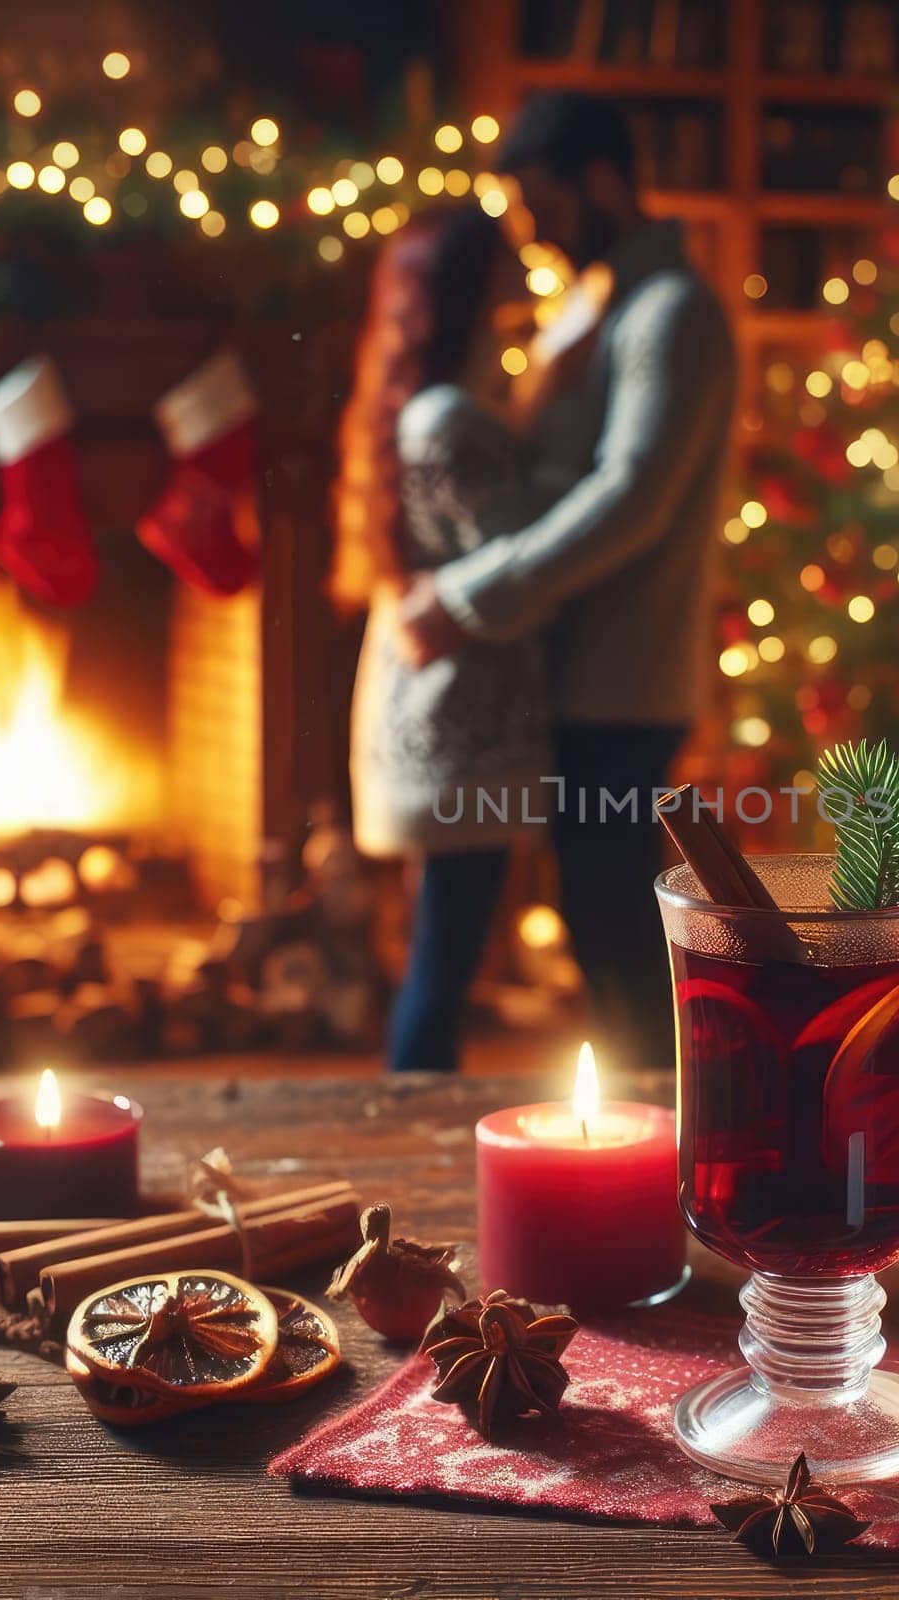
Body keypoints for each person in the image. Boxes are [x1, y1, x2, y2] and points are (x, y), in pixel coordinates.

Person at [396, 92, 737, 1070]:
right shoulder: (603, 307)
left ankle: (677, 1154)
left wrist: (466, 600)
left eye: (539, 201)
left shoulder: (669, 313)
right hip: (576, 677)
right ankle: (665, 1145)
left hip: (621, 687)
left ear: (599, 180)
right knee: (597, 927)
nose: (531, 232)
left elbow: (629, 497)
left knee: (612, 934)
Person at [335, 205, 552, 1073]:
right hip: (462, 730)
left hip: (430, 718)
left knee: (442, 948)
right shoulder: (452, 420)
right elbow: (523, 557)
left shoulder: (412, 407)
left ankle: (412, 1100)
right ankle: (413, 1118)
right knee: (445, 961)